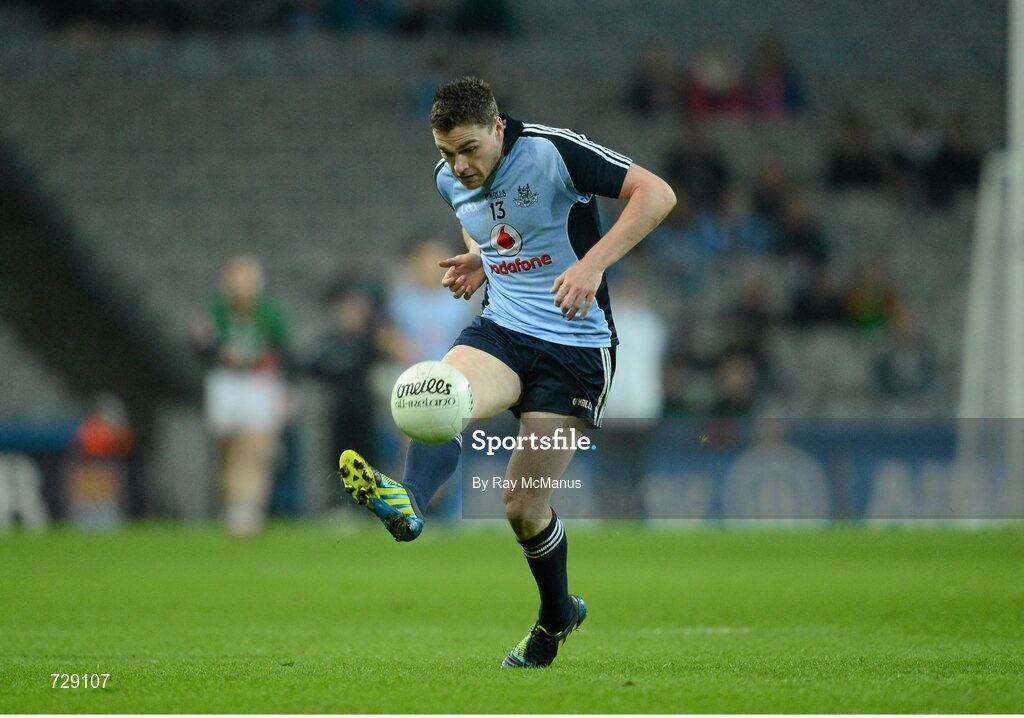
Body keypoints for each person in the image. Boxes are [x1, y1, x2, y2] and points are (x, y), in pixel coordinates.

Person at [337, 77, 675, 668]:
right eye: (446, 152)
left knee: (521, 506)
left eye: (469, 149)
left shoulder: (549, 153)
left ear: (497, 128)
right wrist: (484, 257)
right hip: (506, 329)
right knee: (436, 392)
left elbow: (657, 194)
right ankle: (410, 500)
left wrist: (593, 266)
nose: (459, 166)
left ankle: (556, 615)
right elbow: (487, 221)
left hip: (576, 343)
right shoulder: (448, 179)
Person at [191, 254, 289, 536]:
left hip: (259, 382)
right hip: (225, 382)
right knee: (228, 450)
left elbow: (283, 351)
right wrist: (221, 353)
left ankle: (248, 509)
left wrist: (286, 391)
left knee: (255, 447)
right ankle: (233, 504)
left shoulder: (270, 312)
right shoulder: (216, 312)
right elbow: (198, 345)